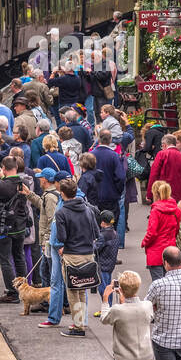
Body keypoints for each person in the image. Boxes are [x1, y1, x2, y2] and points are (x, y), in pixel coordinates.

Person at [0, 157, 33, 304]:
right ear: (16, 168)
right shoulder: (24, 183)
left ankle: (12, 292)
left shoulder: (1, 186)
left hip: (4, 228)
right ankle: (23, 288)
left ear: (3, 168)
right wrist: (3, 178)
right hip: (20, 226)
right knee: (19, 256)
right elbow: (10, 186)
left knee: (5, 260)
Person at [53, 178, 100, 337]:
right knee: (82, 290)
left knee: (73, 291)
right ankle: (81, 323)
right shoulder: (88, 209)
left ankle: (78, 326)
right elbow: (97, 233)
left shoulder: (62, 213)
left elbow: (61, 237)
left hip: (72, 254)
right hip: (88, 254)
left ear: (62, 193)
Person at [141, 180, 180, 283]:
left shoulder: (156, 211)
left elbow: (152, 232)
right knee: (171, 284)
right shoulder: (176, 210)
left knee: (159, 285)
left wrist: (144, 242)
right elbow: (176, 230)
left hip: (156, 252)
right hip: (171, 251)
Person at [90, 127, 126, 219]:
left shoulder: (91, 155)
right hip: (110, 196)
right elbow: (121, 177)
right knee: (111, 224)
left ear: (98, 139)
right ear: (110, 140)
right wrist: (117, 191)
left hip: (94, 197)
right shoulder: (114, 156)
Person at [147, 133, 181, 203]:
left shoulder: (161, 154)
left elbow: (154, 174)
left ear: (164, 145)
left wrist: (149, 194)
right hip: (180, 195)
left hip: (164, 194)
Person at [93, 209, 119, 313]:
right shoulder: (115, 233)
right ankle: (108, 307)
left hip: (102, 264)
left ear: (103, 222)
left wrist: (92, 243)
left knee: (103, 288)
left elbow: (96, 248)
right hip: (110, 263)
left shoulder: (103, 235)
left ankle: (106, 308)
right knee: (108, 286)